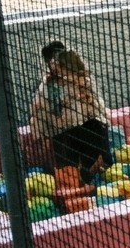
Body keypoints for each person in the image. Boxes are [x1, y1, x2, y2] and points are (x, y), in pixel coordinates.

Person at [29, 42, 113, 180]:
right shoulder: (51, 85)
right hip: (68, 133)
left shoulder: (81, 81)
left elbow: (96, 108)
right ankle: (85, 173)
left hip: (82, 131)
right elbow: (43, 112)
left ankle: (89, 171)